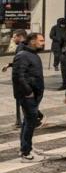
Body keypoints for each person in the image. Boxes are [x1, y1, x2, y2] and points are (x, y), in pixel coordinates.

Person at [12, 33, 46, 162]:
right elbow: (18, 76)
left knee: (28, 121)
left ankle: (26, 147)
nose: (43, 43)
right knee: (30, 122)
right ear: (32, 41)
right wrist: (28, 92)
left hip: (33, 94)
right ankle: (26, 153)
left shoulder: (32, 54)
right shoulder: (23, 55)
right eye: (41, 40)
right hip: (27, 95)